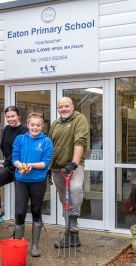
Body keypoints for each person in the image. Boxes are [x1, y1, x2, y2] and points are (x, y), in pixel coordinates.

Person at [48, 96, 89, 248]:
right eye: (61, 107)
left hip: (74, 166)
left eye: (66, 106)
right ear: (58, 108)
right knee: (64, 201)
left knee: (75, 188)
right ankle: (72, 237)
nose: (63, 109)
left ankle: (73, 222)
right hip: (57, 168)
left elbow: (80, 141)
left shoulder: (79, 119)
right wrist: (48, 168)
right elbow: (50, 146)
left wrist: (74, 163)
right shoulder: (55, 124)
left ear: (72, 107)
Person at [12, 113, 53, 257]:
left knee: (36, 211)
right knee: (20, 212)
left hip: (38, 182)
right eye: (32, 125)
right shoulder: (20, 139)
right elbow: (15, 159)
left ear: (42, 126)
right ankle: (17, 243)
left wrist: (31, 165)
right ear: (28, 125)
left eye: (38, 125)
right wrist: (21, 165)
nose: (35, 127)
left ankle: (34, 246)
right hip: (22, 180)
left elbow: (45, 163)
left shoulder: (47, 142)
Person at [0, 106, 28, 224]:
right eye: (8, 117)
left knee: (20, 195)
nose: (10, 119)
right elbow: (4, 147)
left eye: (13, 116)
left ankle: (19, 222)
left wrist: (4, 164)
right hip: (10, 166)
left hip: (21, 168)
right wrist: (6, 163)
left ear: (18, 116)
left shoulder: (24, 130)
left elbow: (18, 150)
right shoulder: (7, 129)